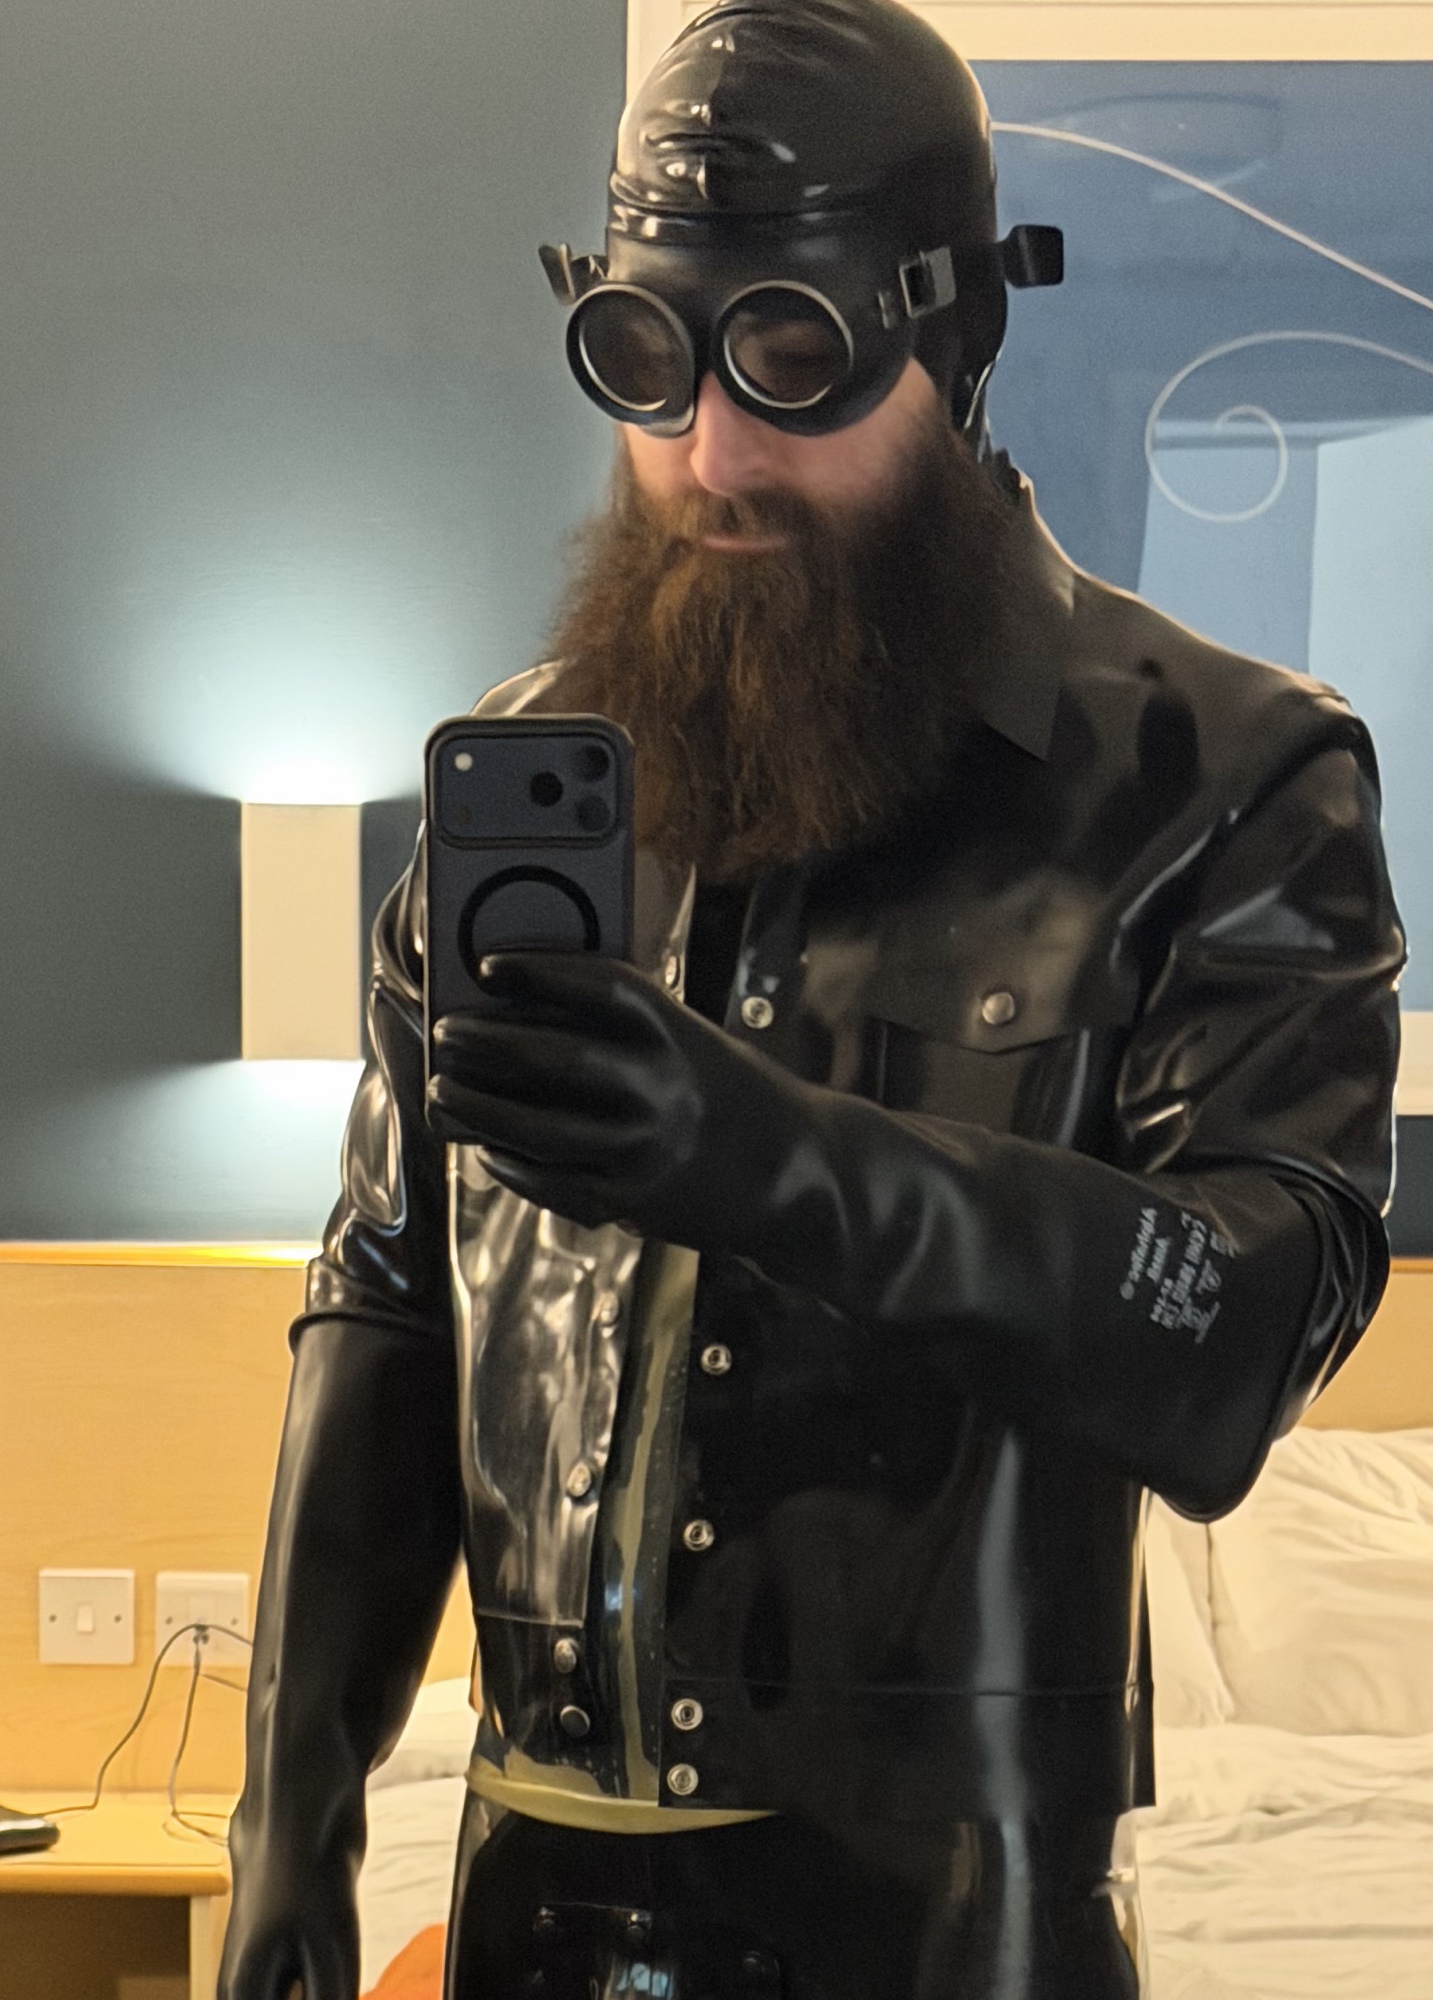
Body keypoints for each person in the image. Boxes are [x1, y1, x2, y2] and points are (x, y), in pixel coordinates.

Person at [219, 4, 1404, 1996]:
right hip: (528, 1915)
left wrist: (773, 1160)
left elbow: (1242, 1328)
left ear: (956, 334)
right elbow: (393, 1307)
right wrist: (288, 1839)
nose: (712, 452)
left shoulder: (1225, 777)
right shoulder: (532, 782)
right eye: (647, 359)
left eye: (790, 356)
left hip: (952, 1934)